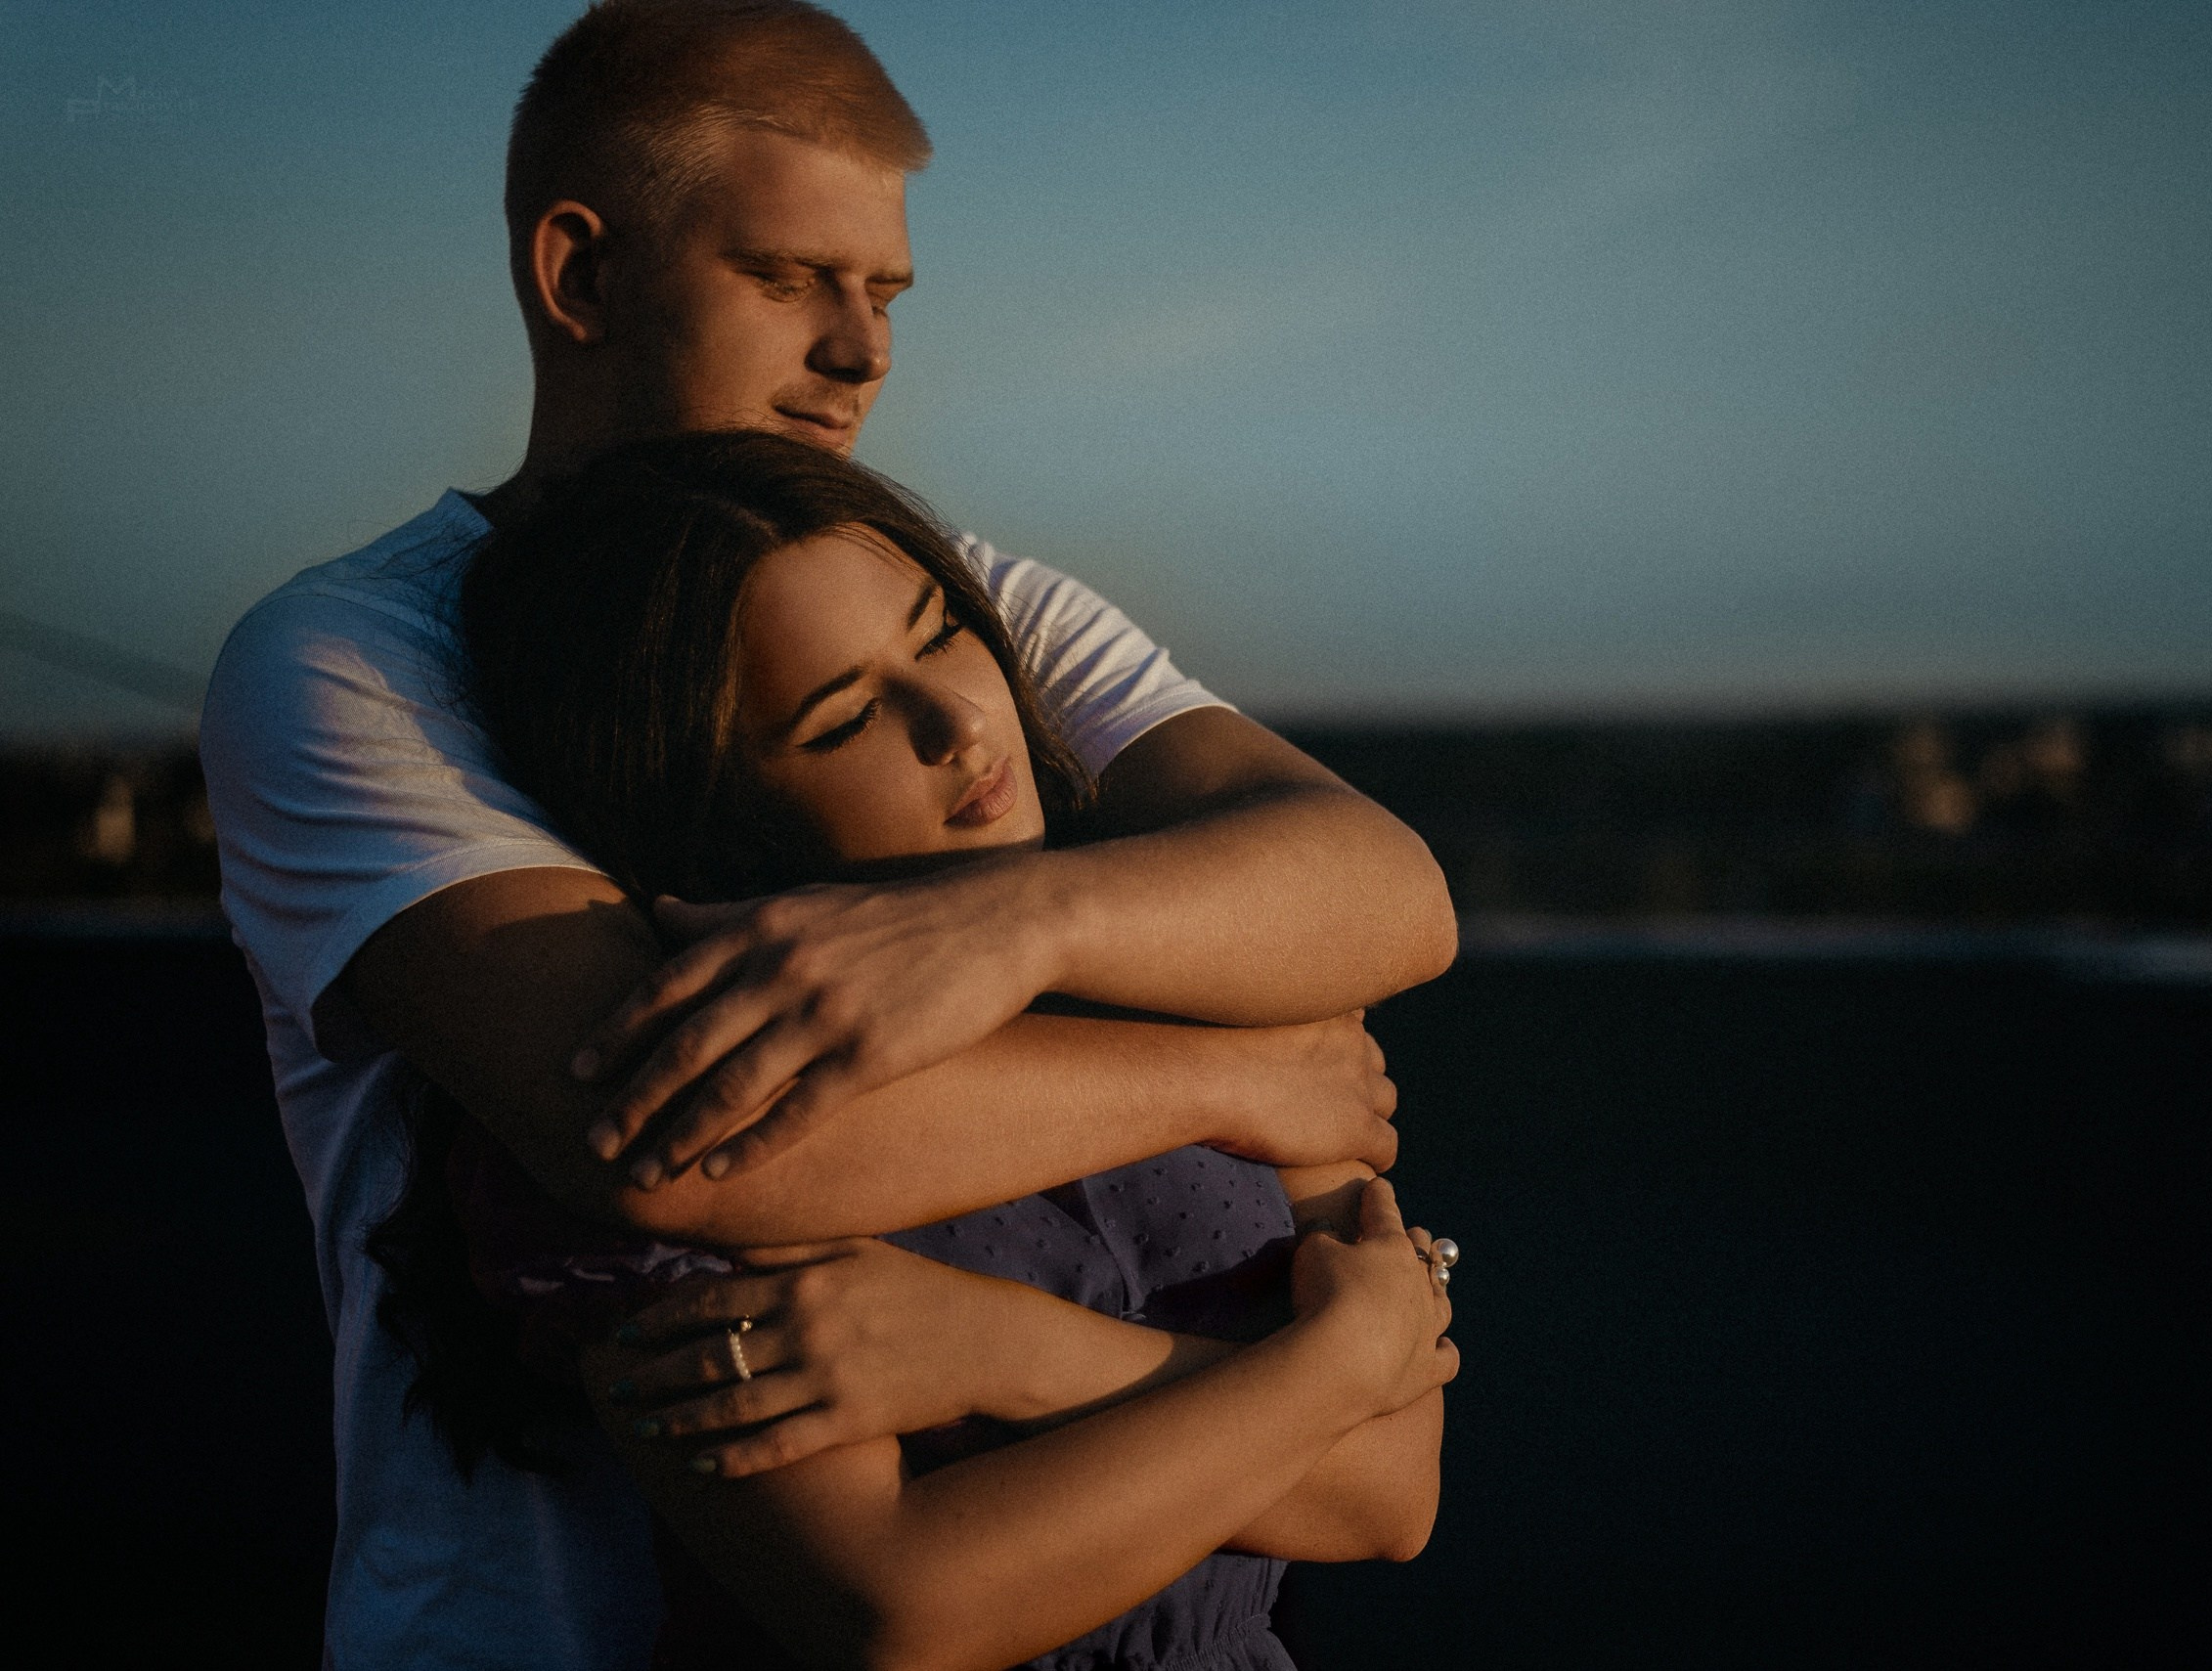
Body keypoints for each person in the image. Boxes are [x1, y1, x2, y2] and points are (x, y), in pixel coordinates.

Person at [197, 4, 1455, 1666]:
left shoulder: (953, 590)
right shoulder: (358, 658)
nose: (863, 350)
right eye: (790, 277)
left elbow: (1384, 887)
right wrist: (1238, 1068)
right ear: (579, 276)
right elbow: (690, 1133)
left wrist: (1019, 924)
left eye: (886, 293)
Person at [379, 428, 1456, 1670]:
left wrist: (989, 1349)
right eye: (845, 718)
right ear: (707, 809)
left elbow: (1385, 1491)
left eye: (943, 633)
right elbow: (902, 1607)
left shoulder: (1221, 960)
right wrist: (1334, 1363)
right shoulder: (712, 1091)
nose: (956, 719)